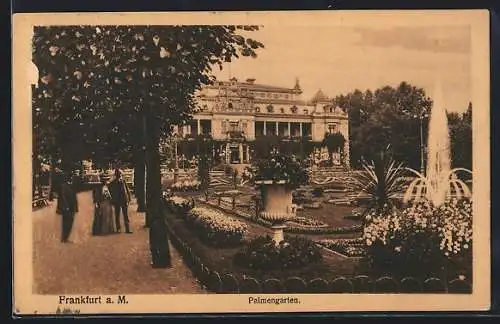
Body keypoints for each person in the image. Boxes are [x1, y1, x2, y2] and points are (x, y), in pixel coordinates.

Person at [56, 173, 78, 243]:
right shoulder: (63, 186)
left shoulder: (72, 186)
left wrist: (76, 208)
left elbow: (74, 198)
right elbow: (62, 197)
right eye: (70, 178)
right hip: (67, 208)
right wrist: (66, 206)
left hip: (72, 207)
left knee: (70, 223)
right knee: (66, 223)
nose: (71, 179)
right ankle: (64, 238)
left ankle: (66, 238)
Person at [108, 168, 132, 234]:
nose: (119, 175)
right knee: (117, 214)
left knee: (125, 215)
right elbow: (109, 187)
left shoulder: (122, 181)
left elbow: (126, 189)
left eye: (120, 174)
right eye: (118, 174)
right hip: (117, 200)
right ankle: (119, 228)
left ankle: (127, 228)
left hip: (123, 199)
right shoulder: (113, 182)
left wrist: (129, 197)